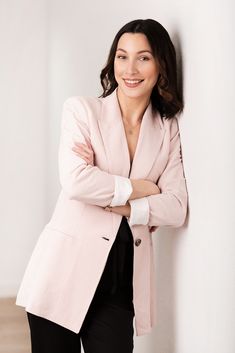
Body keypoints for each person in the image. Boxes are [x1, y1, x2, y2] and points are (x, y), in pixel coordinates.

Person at [16, 18, 188, 353]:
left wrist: (125, 204)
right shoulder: (83, 111)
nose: (130, 68)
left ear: (161, 64)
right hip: (61, 275)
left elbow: (177, 207)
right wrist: (143, 188)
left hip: (119, 287)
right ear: (112, 62)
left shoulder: (167, 130)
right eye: (122, 56)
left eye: (144, 57)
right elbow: (76, 180)